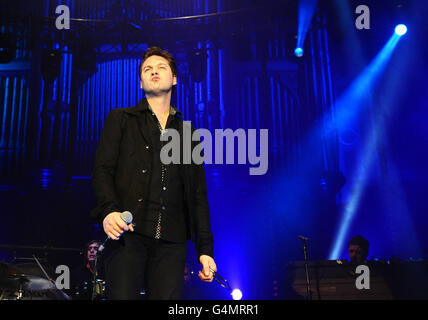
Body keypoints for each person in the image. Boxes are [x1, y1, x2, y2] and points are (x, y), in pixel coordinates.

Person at [91, 46, 217, 300]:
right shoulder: (120, 119)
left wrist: (205, 249)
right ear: (141, 83)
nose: (154, 72)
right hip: (128, 235)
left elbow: (197, 195)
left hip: (172, 242)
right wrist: (108, 211)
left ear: (174, 79)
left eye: (161, 67)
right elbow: (102, 170)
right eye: (147, 69)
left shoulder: (188, 134)